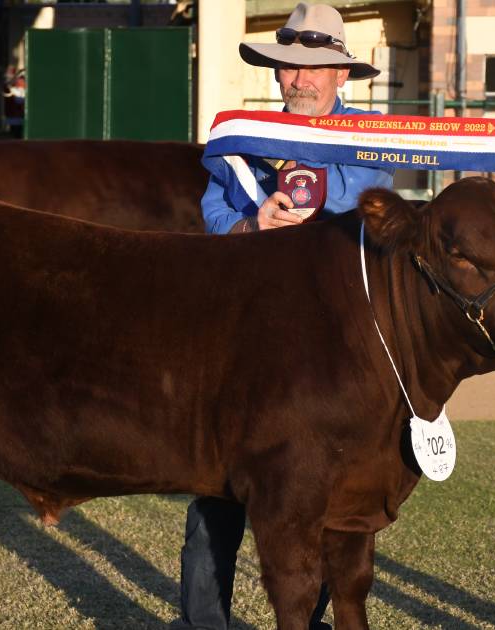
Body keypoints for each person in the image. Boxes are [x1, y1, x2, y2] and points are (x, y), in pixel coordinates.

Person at [178, 4, 393, 629]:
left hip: (338, 343)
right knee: (218, 483)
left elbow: (380, 215)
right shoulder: (241, 139)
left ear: (342, 77)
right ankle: (202, 623)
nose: (300, 80)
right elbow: (214, 215)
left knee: (331, 492)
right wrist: (253, 222)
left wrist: (319, 216)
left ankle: (313, 617)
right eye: (289, 68)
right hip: (248, 338)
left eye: (315, 69)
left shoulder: (379, 141)